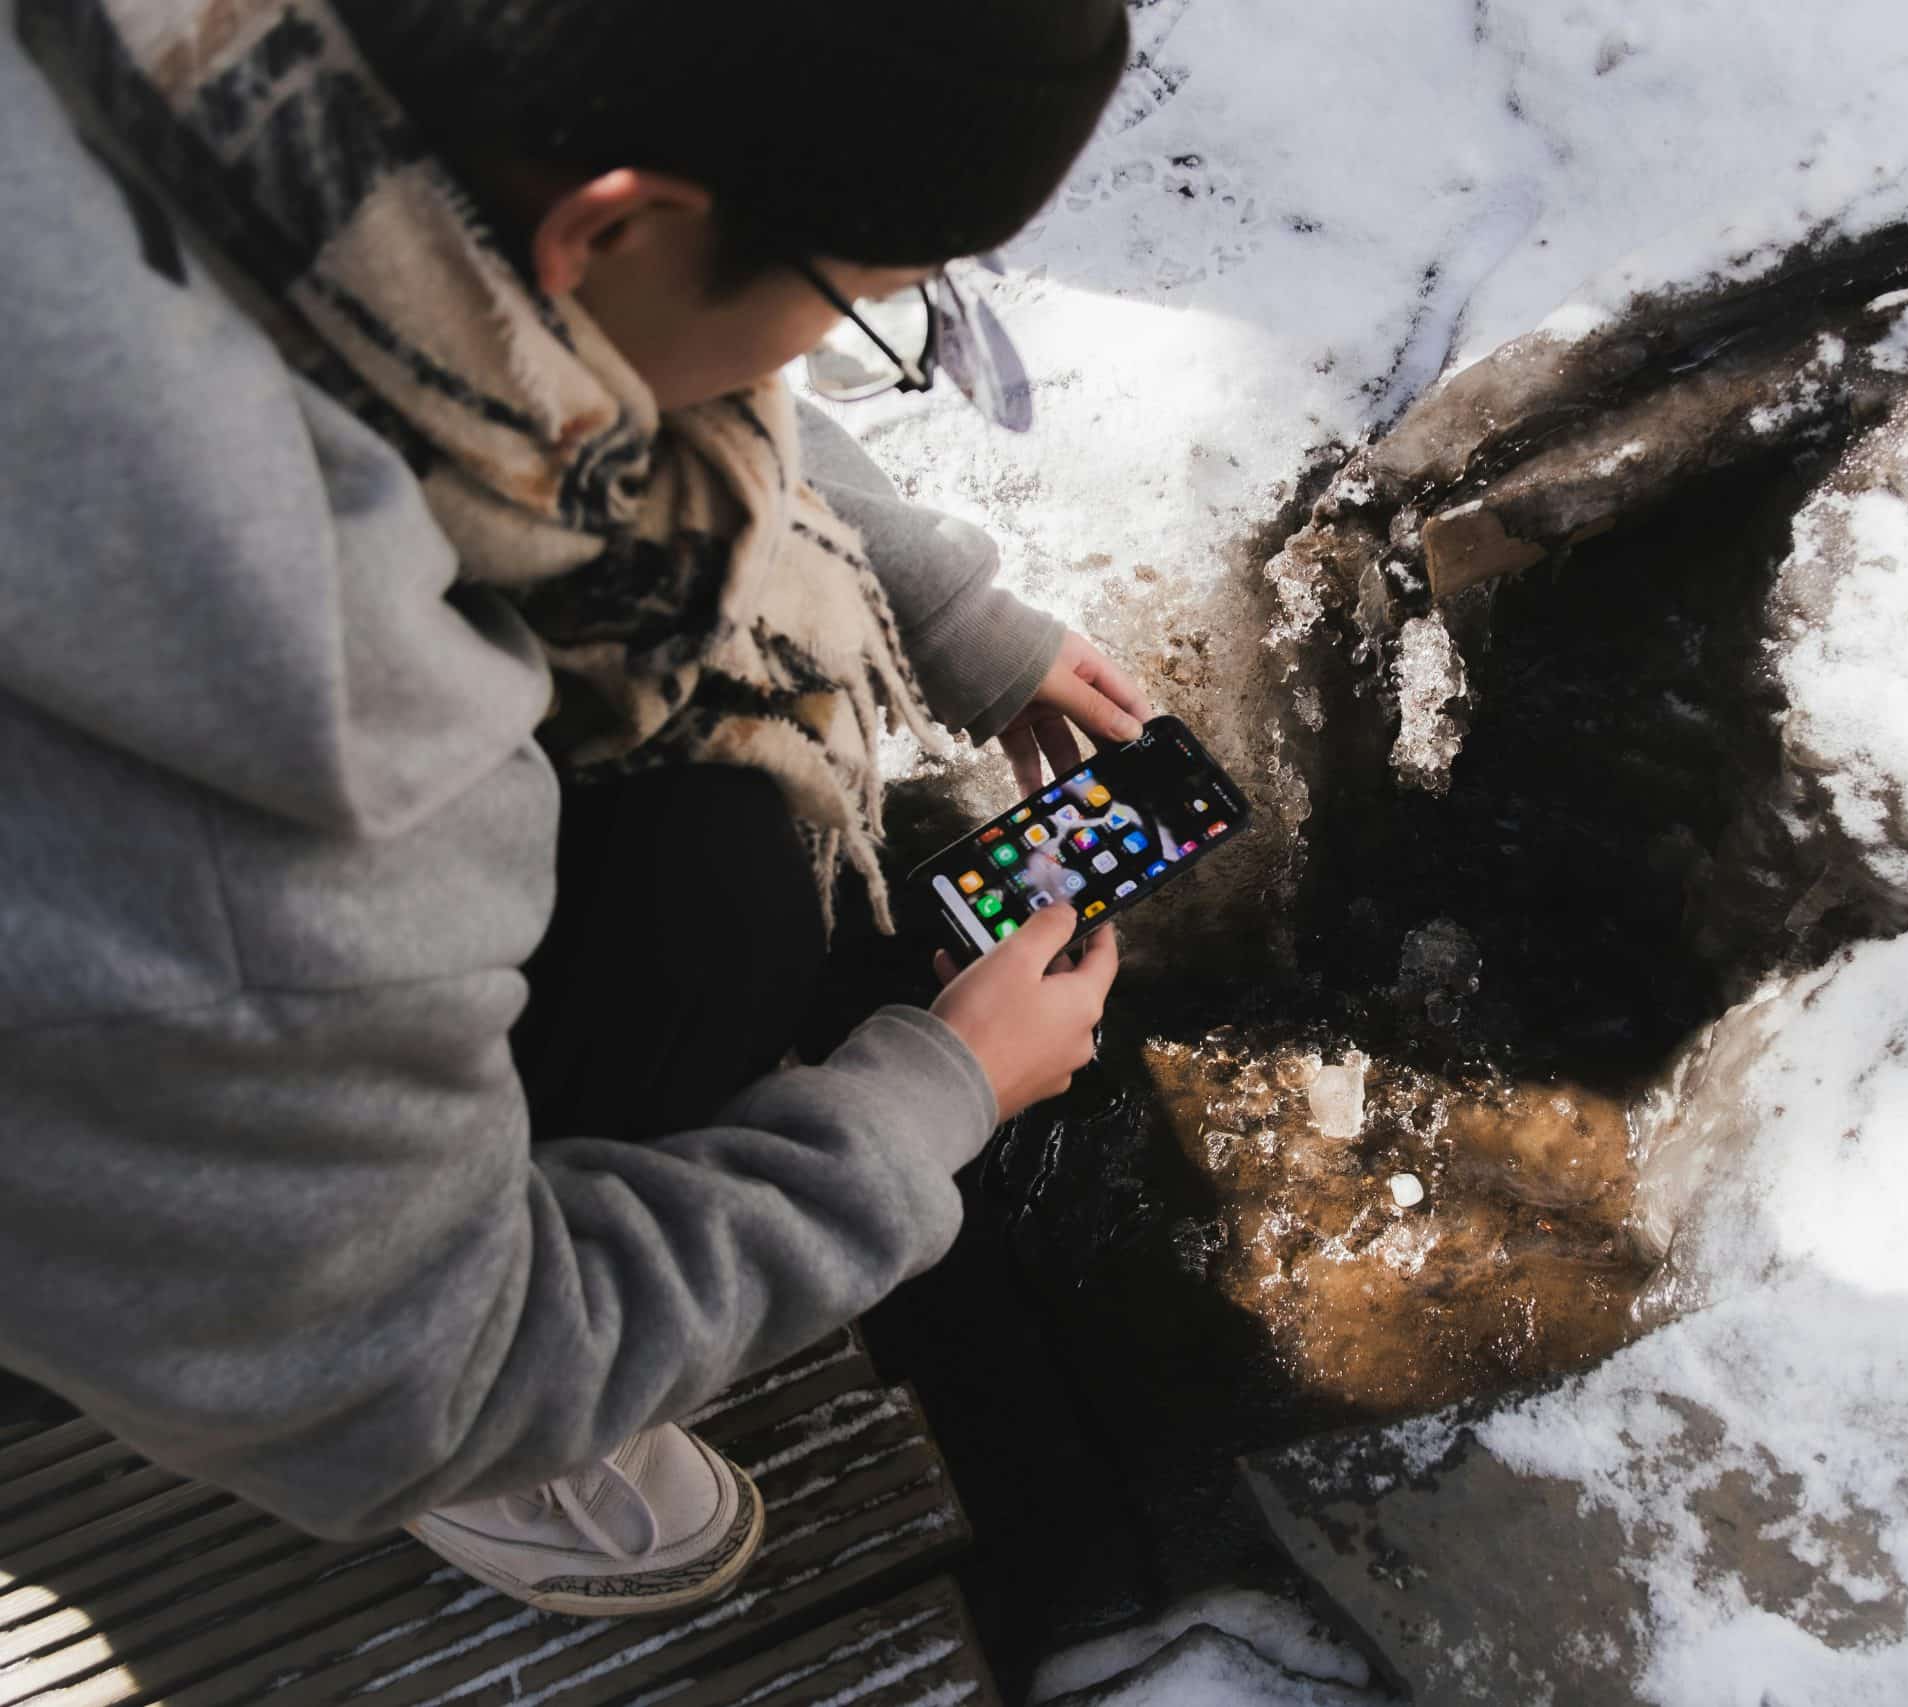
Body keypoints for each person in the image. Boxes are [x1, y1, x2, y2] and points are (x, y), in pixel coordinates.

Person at [0, 0, 1142, 1616]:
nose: (811, 367)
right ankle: (491, 1470)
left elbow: (588, 356)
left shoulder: (242, 72)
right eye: (856, 310)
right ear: (613, 220)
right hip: (134, 1202)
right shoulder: (278, 794)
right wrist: (933, 1098)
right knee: (717, 896)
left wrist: (939, 604)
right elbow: (424, 1373)